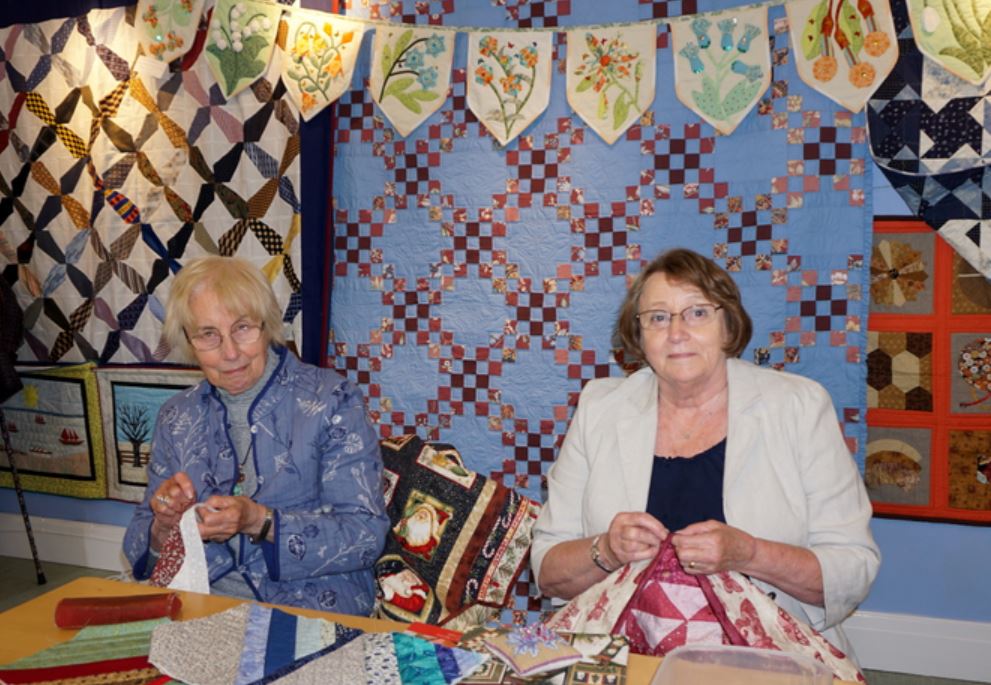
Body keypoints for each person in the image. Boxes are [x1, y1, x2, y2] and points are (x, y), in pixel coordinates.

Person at [531, 248, 879, 653]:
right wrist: (606, 550)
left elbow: (853, 570)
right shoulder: (601, 407)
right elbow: (548, 571)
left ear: (728, 327)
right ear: (640, 336)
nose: (676, 332)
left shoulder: (798, 406)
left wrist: (749, 553)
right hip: (619, 651)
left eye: (697, 313)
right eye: (658, 318)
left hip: (764, 653)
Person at [123, 256, 389, 615]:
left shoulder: (332, 401)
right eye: (208, 334)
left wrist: (260, 521)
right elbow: (141, 549)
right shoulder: (177, 416)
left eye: (243, 328)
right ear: (188, 340)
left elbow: (365, 536)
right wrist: (164, 523)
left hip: (310, 604)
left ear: (267, 326)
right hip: (203, 600)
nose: (230, 352)